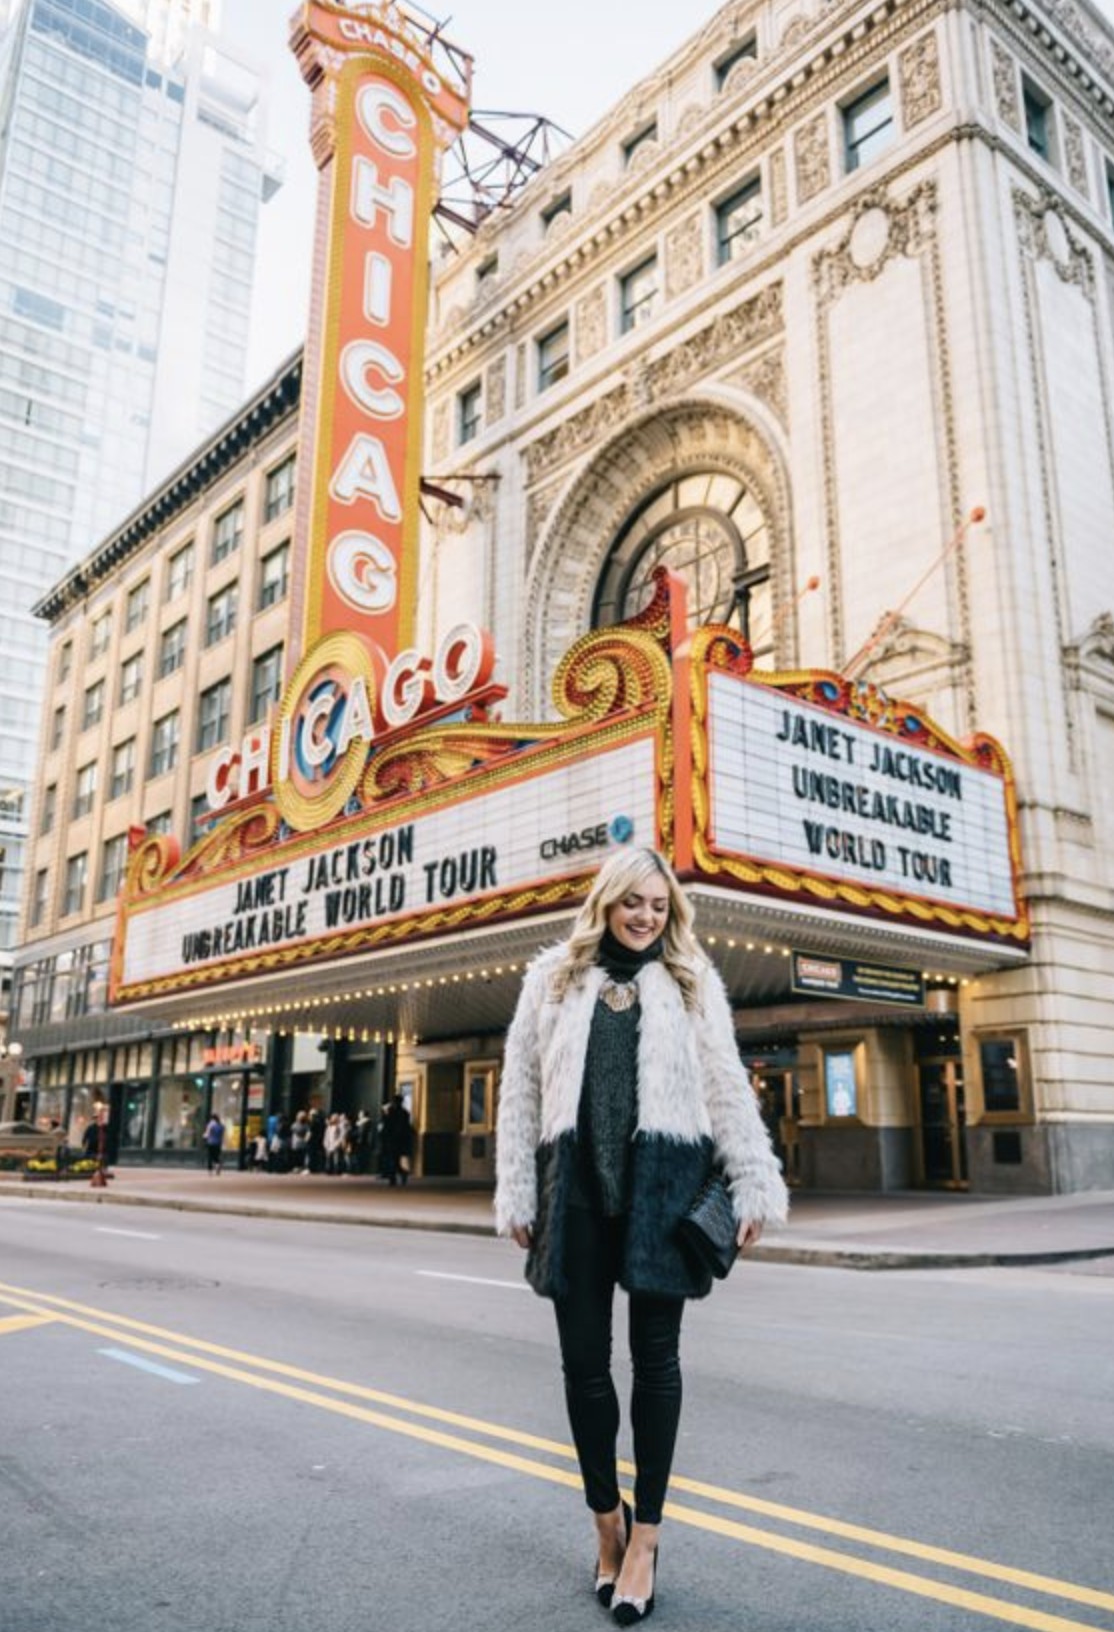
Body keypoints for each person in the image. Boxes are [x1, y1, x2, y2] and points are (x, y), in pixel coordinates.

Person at [494, 847, 788, 1625]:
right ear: (607, 902)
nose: (646, 917)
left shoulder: (692, 981)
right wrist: (516, 1187)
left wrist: (754, 1179)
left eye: (658, 905)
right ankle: (605, 1527)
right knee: (585, 1370)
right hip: (578, 1193)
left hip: (666, 1186)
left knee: (657, 1367)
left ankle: (647, 1540)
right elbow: (518, 1087)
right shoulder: (553, 977)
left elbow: (726, 1085)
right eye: (633, 903)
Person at [379, 1094, 413, 1186]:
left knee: (393, 1159)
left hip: (392, 1139)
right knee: (395, 1159)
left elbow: (387, 1125)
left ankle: (394, 1177)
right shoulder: (405, 1113)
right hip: (401, 1140)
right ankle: (401, 1174)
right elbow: (407, 1127)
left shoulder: (391, 1112)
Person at [202, 1112, 224, 1176]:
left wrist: (204, 1137)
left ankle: (210, 1170)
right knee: (216, 1156)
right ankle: (217, 1165)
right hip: (218, 1143)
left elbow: (207, 1134)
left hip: (210, 1142)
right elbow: (221, 1135)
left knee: (210, 1156)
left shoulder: (210, 1125)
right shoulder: (221, 1126)